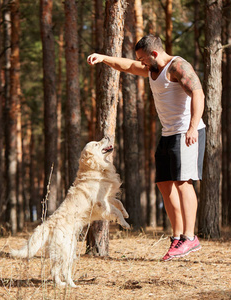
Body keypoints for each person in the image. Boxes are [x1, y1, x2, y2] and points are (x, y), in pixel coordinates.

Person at [87, 35, 206, 261]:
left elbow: (198, 93)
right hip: (168, 133)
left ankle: (190, 238)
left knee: (183, 182)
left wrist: (192, 128)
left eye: (143, 58)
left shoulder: (178, 66)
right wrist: (103, 58)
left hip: (186, 131)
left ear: (154, 54)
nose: (141, 63)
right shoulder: (152, 69)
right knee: (164, 183)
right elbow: (129, 66)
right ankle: (178, 236)